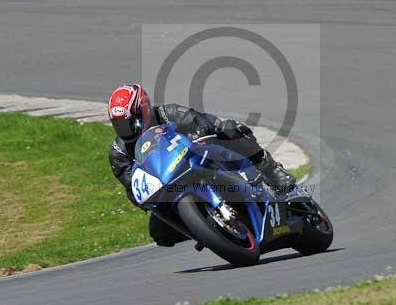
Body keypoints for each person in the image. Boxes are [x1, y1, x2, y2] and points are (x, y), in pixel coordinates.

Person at [107, 83, 295, 246]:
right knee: (160, 233)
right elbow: (132, 185)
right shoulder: (119, 152)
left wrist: (204, 129)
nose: (126, 129)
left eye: (130, 122)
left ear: (144, 110)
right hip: (169, 188)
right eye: (120, 125)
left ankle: (272, 171)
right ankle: (209, 229)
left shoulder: (167, 113)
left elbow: (200, 119)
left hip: (196, 161)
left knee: (229, 130)